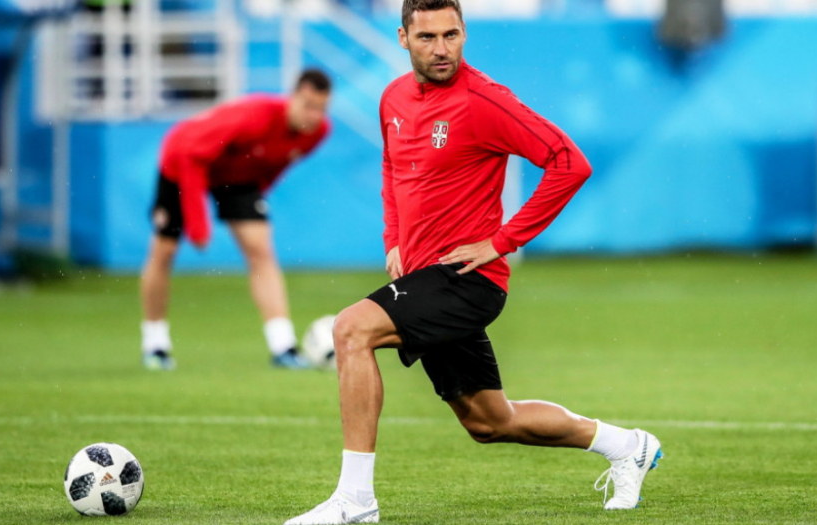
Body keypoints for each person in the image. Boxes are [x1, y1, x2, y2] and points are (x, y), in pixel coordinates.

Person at [284, 2, 662, 524]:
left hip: (468, 279)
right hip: (424, 277)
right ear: (402, 38)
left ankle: (356, 501)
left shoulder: (485, 100)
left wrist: (503, 241)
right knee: (490, 422)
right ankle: (628, 446)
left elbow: (569, 163)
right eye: (427, 37)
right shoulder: (393, 98)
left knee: (351, 329)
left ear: (464, 33)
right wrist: (394, 239)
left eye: (452, 34)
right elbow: (393, 166)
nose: (441, 49)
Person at [140, 69, 333, 371]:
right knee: (164, 250)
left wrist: (256, 197)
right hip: (183, 160)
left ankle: (283, 346)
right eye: (308, 105)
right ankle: (155, 344)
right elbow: (191, 155)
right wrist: (198, 225)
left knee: (261, 250)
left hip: (236, 176)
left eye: (320, 108)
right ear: (292, 98)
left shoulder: (318, 131)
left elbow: (276, 165)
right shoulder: (255, 117)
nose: (314, 115)